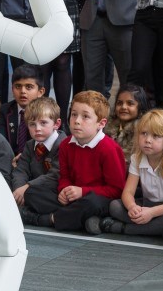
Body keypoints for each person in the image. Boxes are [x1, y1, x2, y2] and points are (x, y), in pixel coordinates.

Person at [19, 90, 125, 231]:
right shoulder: (66, 144)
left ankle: (48, 219)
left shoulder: (109, 148)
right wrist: (64, 190)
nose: (77, 121)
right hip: (72, 198)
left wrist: (83, 191)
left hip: (96, 198)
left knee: (92, 203)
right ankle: (85, 220)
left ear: (101, 123)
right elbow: (65, 177)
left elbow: (116, 190)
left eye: (85, 116)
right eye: (74, 114)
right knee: (32, 193)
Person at [95, 108, 163, 236]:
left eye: (155, 136)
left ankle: (122, 228)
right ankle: (151, 227)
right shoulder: (137, 158)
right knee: (115, 206)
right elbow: (128, 192)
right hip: (148, 203)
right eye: (144, 133)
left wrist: (152, 213)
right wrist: (132, 207)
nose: (148, 140)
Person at [10, 96, 64, 206]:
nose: (37, 128)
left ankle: (45, 218)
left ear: (56, 124)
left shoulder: (63, 145)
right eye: (32, 124)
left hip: (55, 191)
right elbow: (21, 170)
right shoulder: (30, 145)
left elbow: (55, 175)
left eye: (43, 123)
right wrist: (19, 190)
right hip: (33, 191)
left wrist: (27, 187)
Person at [0, 64, 46, 156]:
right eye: (18, 86)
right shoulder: (3, 111)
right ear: (12, 89)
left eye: (29, 87)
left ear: (40, 92)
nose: (23, 91)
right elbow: (1, 144)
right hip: (8, 159)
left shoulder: (47, 113)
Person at [104, 83, 150, 165]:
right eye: (119, 103)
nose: (123, 107)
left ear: (140, 107)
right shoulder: (107, 126)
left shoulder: (143, 130)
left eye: (130, 103)